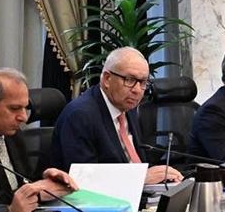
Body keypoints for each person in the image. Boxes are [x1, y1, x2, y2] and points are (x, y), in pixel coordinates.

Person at [50, 47, 183, 184]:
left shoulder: (127, 107)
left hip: (139, 191)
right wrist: (140, 179)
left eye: (143, 82)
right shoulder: (80, 115)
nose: (137, 90)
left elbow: (136, 162)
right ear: (107, 79)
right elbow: (83, 181)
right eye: (130, 80)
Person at [0, 69, 79, 211]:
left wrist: (46, 179)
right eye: (14, 108)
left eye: (25, 108)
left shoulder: (14, 134)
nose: (23, 117)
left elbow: (23, 180)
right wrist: (36, 192)